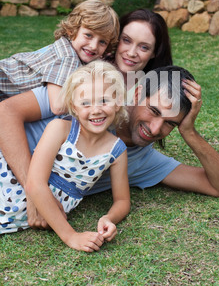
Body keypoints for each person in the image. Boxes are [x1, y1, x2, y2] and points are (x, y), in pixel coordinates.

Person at [0, 65, 219, 231]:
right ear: (136, 92)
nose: (156, 129)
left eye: (170, 124)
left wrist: (189, 132)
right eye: (154, 111)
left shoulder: (145, 160)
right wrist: (34, 194)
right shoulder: (89, 96)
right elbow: (4, 112)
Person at [0, 61, 130, 252]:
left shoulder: (117, 150)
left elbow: (122, 200)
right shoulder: (60, 129)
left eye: (104, 100)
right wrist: (70, 235)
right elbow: (34, 184)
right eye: (85, 103)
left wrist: (108, 218)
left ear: (118, 102)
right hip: (8, 186)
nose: (96, 110)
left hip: (25, 213)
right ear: (74, 107)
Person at [0, 0, 119, 113]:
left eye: (102, 42)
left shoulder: (68, 48)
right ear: (72, 30)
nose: (94, 46)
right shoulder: (68, 58)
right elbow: (58, 106)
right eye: (88, 35)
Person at [109, 8, 173, 87]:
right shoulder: (92, 69)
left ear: (155, 52)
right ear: (117, 38)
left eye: (144, 47)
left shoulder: (161, 88)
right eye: (126, 40)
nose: (131, 53)